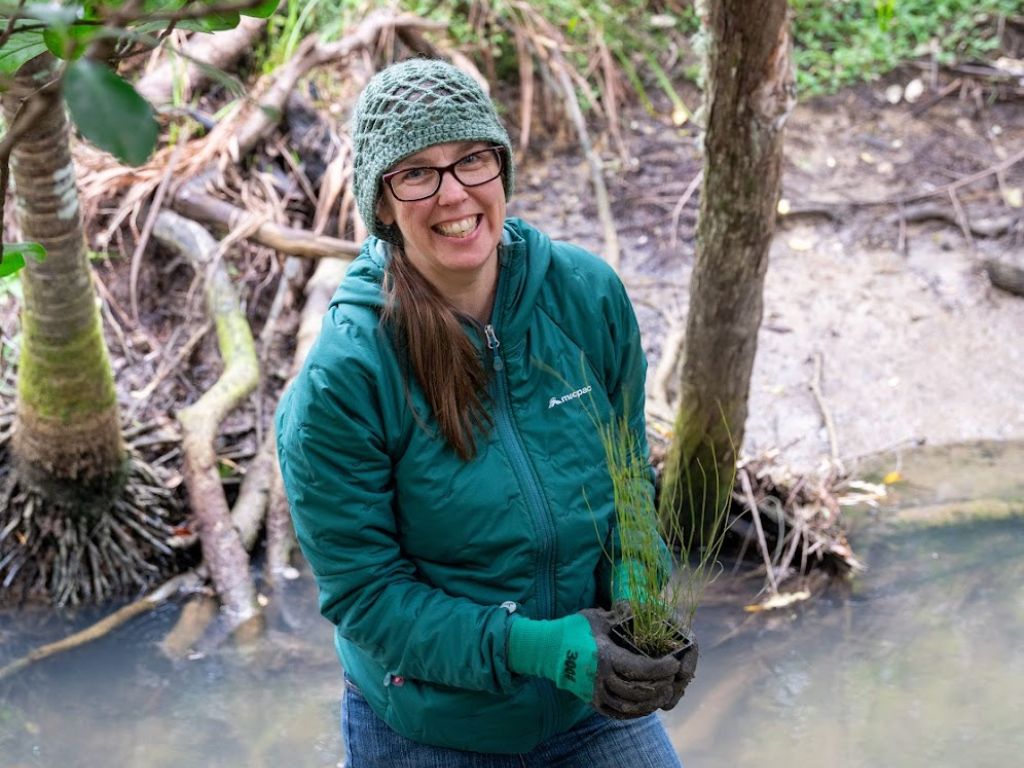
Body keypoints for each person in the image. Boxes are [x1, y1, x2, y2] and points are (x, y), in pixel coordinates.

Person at [275, 58, 696, 767]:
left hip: (589, 706)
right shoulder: (345, 379)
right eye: (417, 173)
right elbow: (367, 597)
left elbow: (630, 488)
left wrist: (637, 604)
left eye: (471, 159)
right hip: (429, 725)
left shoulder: (587, 299)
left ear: (500, 168)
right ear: (381, 202)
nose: (453, 193)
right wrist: (537, 647)